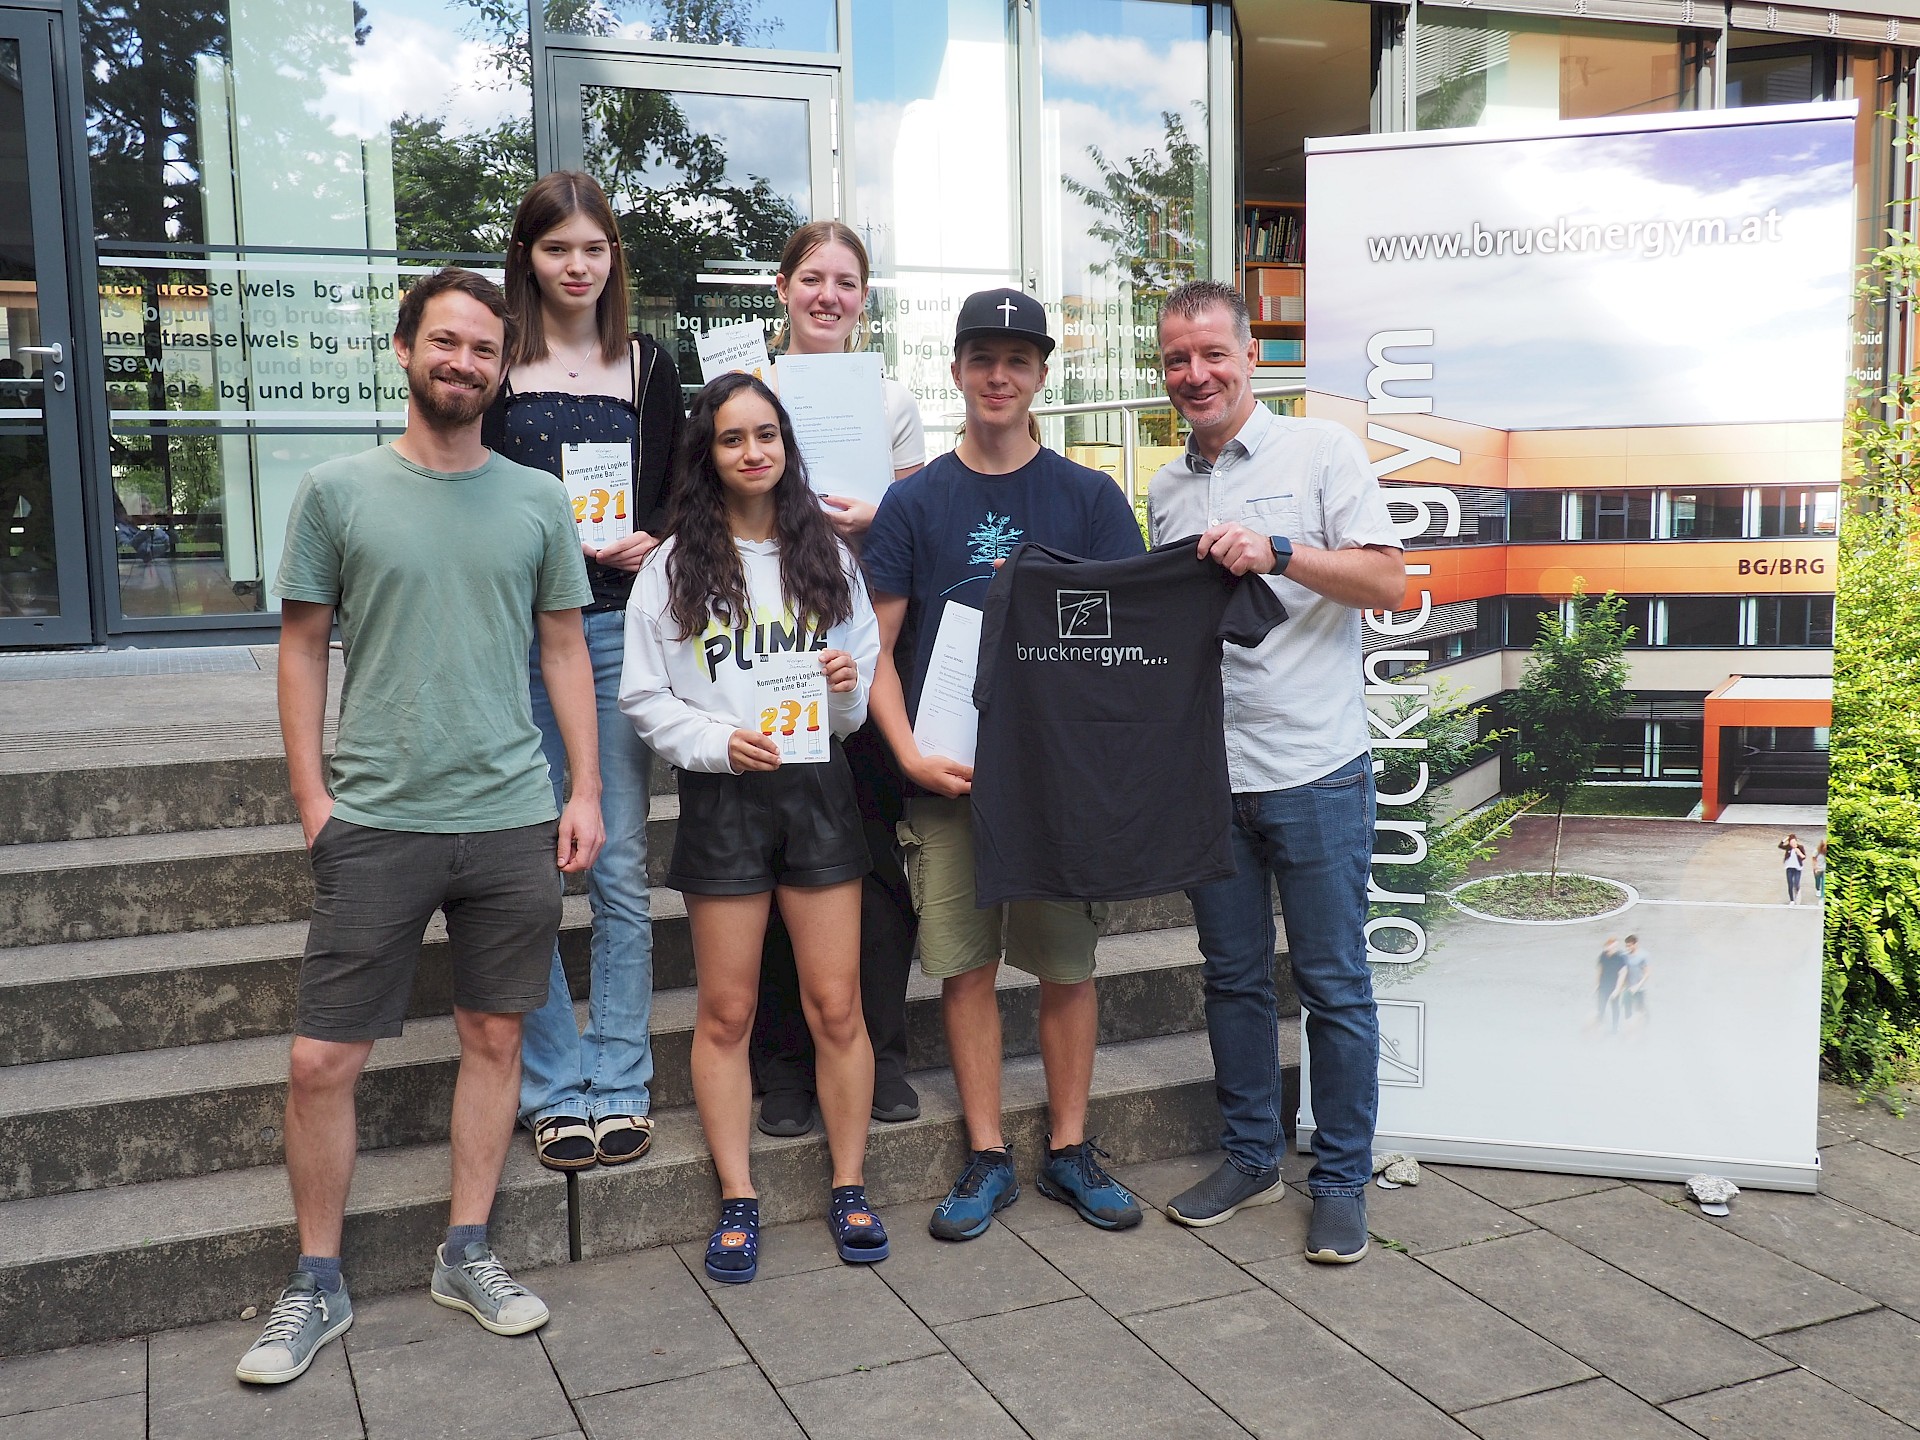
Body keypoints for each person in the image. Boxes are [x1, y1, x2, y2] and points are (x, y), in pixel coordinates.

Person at [239, 268, 602, 1385]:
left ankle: (466, 1250)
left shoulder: (536, 499)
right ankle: (316, 1280)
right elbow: (303, 646)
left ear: (503, 368)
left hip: (510, 813)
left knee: (495, 1039)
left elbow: (563, 649)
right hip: (379, 815)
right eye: (445, 342)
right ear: (404, 349)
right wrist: (313, 798)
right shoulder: (337, 491)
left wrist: (585, 789)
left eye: (484, 349)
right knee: (321, 1059)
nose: (464, 363)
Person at [862, 288, 1148, 1241]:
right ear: (955, 371)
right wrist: (908, 753)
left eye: (1017, 360)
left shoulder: (1088, 498)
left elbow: (1122, 644)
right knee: (966, 966)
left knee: (1067, 967)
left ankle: (1069, 1148)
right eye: (982, 358)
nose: (998, 376)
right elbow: (876, 649)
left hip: (1054, 784)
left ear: (1041, 377)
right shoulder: (914, 502)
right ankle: (988, 1155)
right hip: (950, 777)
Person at [1146, 280, 1404, 1263]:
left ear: (1251, 355)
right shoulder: (1166, 491)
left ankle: (1340, 1181)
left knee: (1333, 985)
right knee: (1232, 980)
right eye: (1177, 358)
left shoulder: (1322, 451)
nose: (1196, 374)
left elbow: (1388, 580)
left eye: (1213, 353)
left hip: (1316, 767)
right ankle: (1252, 1160)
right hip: (1210, 776)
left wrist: (1281, 551)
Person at [618, 372, 885, 1283]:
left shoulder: (829, 556)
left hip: (818, 791)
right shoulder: (671, 567)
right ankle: (738, 1197)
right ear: (709, 453)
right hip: (725, 795)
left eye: (766, 434)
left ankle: (849, 1184)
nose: (753, 452)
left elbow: (855, 697)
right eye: (733, 438)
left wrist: (844, 689)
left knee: (836, 1005)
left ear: (786, 444)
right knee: (727, 1011)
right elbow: (644, 696)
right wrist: (715, 743)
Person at [484, 171, 685, 1173]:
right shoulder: (497, 361)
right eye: (558, 248)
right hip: (515, 639)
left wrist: (657, 538)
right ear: (527, 256)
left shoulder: (646, 365)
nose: (578, 266)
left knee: (618, 866)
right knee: (528, 872)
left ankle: (620, 1078)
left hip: (613, 632)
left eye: (594, 248)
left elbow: (684, 491)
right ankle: (553, 1087)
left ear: (614, 258)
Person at [752, 221, 927, 1140]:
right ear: (782, 287)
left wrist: (877, 518)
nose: (829, 295)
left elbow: (918, 524)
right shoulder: (748, 388)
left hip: (863, 650)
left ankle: (881, 1049)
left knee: (872, 860)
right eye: (812, 278)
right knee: (776, 860)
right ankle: (785, 1064)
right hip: (763, 656)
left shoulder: (891, 399)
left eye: (847, 282)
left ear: (865, 297)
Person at [1596, 936, 1627, 1030]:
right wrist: (1597, 984)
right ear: (1607, 947)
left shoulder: (1620, 957)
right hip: (1603, 986)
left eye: (1615, 947)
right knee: (1601, 1007)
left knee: (1615, 1007)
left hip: (1614, 986)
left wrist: (1618, 989)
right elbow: (1600, 970)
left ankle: (1615, 1028)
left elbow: (1622, 974)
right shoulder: (1603, 956)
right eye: (1612, 947)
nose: (1614, 949)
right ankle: (1599, 1025)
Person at [1620, 935, 1651, 1026]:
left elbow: (1647, 973)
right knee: (1627, 1010)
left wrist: (1638, 986)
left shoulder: (1643, 956)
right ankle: (1628, 1028)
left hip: (1639, 989)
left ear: (1635, 944)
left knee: (1640, 1010)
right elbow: (1622, 972)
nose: (1628, 948)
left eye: (1630, 946)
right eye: (1626, 946)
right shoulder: (1624, 956)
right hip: (1627, 989)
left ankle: (1644, 1026)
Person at [1780, 832, 1806, 905]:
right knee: (1790, 884)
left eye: (1794, 842)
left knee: (1796, 883)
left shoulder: (1800, 847)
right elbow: (1780, 846)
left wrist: (1799, 853)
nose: (1793, 844)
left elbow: (1804, 857)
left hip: (1797, 868)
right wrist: (1786, 839)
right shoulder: (1788, 847)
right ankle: (1791, 900)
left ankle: (1798, 892)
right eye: (1791, 842)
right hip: (1789, 868)